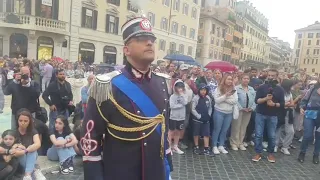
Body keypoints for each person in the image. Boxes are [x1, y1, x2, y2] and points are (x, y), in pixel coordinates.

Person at [80, 17, 171, 180]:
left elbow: (164, 125)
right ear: (126, 50)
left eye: (151, 39)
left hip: (155, 171)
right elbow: (90, 135)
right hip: (121, 171)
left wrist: (167, 161)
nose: (149, 43)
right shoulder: (107, 85)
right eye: (141, 39)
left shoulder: (163, 82)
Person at [252, 69, 285, 163]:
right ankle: (258, 153)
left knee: (271, 136)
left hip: (273, 115)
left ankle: (270, 154)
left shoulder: (280, 89)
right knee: (258, 135)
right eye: (269, 75)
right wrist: (266, 98)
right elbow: (256, 101)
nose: (270, 77)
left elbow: (282, 104)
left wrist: (274, 104)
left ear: (277, 76)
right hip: (260, 113)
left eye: (273, 76)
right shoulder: (262, 87)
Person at [15, 109, 46, 180]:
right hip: (19, 156)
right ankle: (34, 170)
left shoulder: (33, 131)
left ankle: (27, 175)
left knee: (33, 149)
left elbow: (38, 144)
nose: (23, 123)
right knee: (20, 150)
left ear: (29, 121)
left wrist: (26, 150)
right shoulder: (14, 132)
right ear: (17, 121)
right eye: (20, 121)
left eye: (25, 121)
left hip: (31, 154)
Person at [212, 74, 238, 154]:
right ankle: (214, 146)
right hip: (219, 112)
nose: (230, 81)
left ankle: (221, 145)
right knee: (217, 129)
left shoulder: (234, 89)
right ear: (224, 80)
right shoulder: (219, 88)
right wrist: (226, 96)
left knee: (224, 130)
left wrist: (224, 98)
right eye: (228, 79)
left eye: (231, 79)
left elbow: (235, 101)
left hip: (229, 113)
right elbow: (217, 101)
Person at [230, 74, 256, 151]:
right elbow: (234, 99)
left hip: (248, 111)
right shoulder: (236, 88)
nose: (246, 80)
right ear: (241, 79)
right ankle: (234, 143)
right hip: (239, 110)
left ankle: (240, 143)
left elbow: (255, 99)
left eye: (247, 78)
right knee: (236, 127)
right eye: (244, 78)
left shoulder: (251, 89)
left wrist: (252, 108)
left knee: (243, 127)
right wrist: (241, 108)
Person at [298, 77, 320, 164]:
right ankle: (302, 153)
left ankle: (316, 155)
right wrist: (301, 107)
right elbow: (305, 99)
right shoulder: (313, 87)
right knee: (307, 135)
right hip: (310, 114)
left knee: (319, 137)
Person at [191, 84, 213, 156]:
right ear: (199, 90)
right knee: (196, 133)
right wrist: (198, 116)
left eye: (204, 90)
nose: (203, 92)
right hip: (197, 119)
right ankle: (196, 146)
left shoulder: (208, 98)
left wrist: (209, 115)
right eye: (201, 90)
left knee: (206, 133)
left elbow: (210, 107)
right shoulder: (196, 98)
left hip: (206, 119)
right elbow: (193, 109)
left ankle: (206, 148)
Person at [274, 79, 295, 155]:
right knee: (278, 129)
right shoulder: (280, 92)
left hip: (288, 113)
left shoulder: (289, 93)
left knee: (291, 131)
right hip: (280, 112)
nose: (292, 87)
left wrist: (285, 104)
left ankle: (285, 146)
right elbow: (278, 103)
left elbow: (292, 104)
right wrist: (285, 104)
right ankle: (275, 145)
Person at [169, 80, 188, 155]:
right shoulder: (172, 96)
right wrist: (180, 106)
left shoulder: (184, 95)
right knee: (171, 132)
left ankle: (175, 146)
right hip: (173, 117)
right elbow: (172, 106)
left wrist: (181, 95)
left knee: (178, 132)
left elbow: (185, 102)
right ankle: (169, 146)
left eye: (181, 87)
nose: (179, 89)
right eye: (178, 87)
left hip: (181, 117)